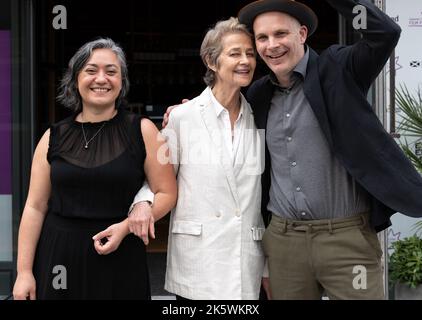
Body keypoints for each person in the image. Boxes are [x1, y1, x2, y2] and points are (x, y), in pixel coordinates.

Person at [234, 0, 422, 299]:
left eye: (281, 34)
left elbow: (385, 32)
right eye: (262, 38)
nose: (272, 45)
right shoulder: (257, 94)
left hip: (347, 242)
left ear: (302, 34)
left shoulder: (339, 68)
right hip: (285, 244)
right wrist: (188, 113)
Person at [12, 38, 177, 300]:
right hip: (59, 259)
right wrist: (23, 272)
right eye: (91, 70)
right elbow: (35, 206)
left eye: (111, 72)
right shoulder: (52, 136)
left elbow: (167, 193)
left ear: (121, 81)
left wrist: (126, 227)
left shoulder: (144, 130)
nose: (101, 79)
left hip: (121, 254)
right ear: (76, 79)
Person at [133, 17, 267, 300]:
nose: (246, 61)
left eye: (250, 54)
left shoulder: (261, 115)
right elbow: (159, 177)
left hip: (245, 259)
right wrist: (143, 203)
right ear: (211, 61)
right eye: (235, 53)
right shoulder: (184, 117)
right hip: (199, 261)